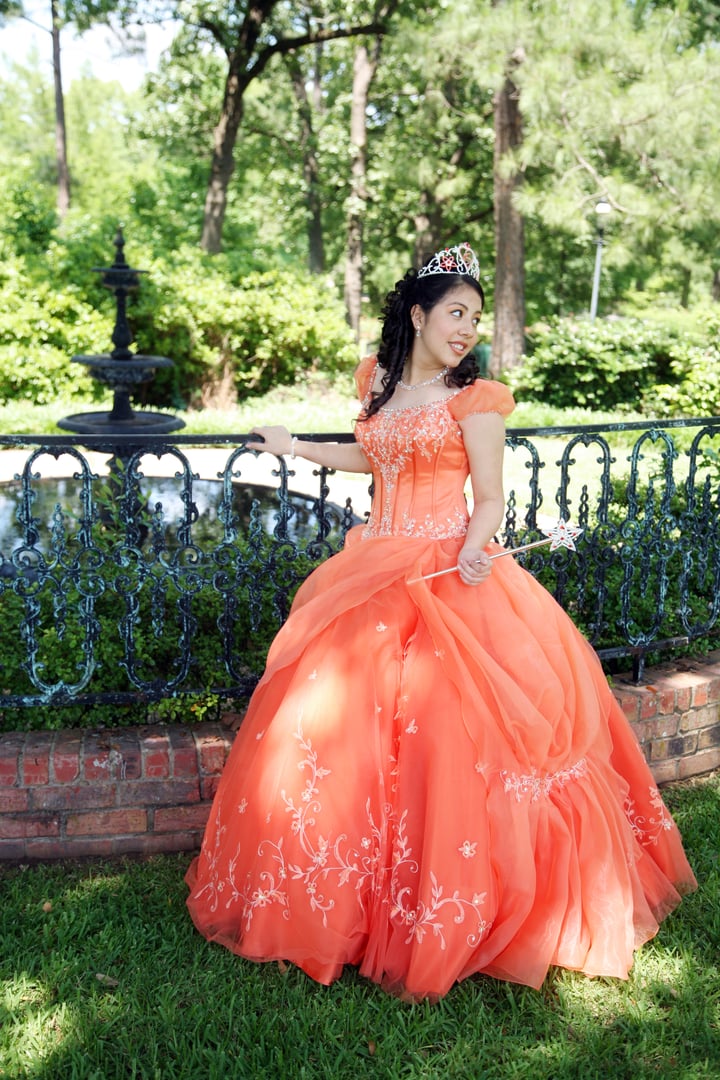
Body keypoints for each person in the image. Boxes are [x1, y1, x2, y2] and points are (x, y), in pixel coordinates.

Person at [185, 243, 696, 1001]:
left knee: (448, 741)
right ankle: (341, 905)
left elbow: (487, 496)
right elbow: (372, 457)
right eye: (455, 314)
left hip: (448, 577)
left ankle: (461, 904)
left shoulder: (476, 401)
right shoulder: (380, 382)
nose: (466, 330)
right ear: (418, 314)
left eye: (475, 318)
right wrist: (295, 445)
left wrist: (475, 549)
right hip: (371, 574)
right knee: (332, 734)